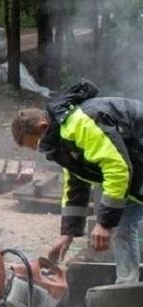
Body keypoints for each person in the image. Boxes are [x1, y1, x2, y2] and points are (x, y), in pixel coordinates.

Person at [11, 80, 143, 283]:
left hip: (135, 163)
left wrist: (105, 224)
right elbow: (76, 183)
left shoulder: (81, 123)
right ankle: (126, 290)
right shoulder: (63, 136)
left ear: (43, 126)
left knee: (116, 223)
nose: (40, 150)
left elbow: (117, 168)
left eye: (36, 145)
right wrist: (68, 233)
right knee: (123, 225)